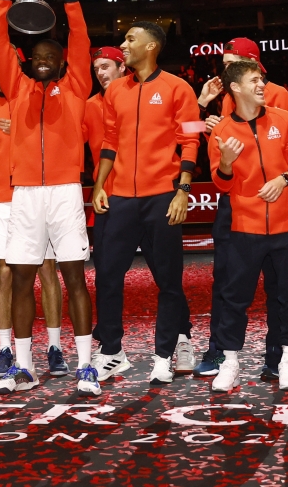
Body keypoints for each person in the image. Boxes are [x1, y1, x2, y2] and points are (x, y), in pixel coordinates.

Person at [0, 0, 100, 397]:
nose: (43, 63)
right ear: (28, 60)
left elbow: (82, 38)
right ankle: (23, 367)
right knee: (19, 278)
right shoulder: (16, 88)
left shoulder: (76, 88)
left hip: (66, 192)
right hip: (25, 194)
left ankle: (86, 366)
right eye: (36, 57)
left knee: (73, 276)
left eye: (51, 58)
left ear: (62, 62)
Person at [91, 21, 201, 385]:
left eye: (130, 39)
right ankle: (111, 353)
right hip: (121, 196)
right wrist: (100, 184)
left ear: (151, 47)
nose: (123, 44)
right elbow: (109, 140)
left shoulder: (177, 87)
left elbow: (190, 142)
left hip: (161, 196)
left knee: (168, 281)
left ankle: (163, 356)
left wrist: (182, 190)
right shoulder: (115, 91)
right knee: (107, 276)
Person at [195, 37, 288, 380]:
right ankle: (220, 354)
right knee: (228, 282)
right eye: (223, 65)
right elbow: (185, 136)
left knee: (279, 286)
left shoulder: (276, 96)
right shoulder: (218, 96)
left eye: (230, 64)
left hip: (275, 205)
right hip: (235, 203)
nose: (223, 71)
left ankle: (276, 358)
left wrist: (283, 179)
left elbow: (287, 143)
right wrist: (200, 110)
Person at [0, 49, 69, 379]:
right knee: (4, 273)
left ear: (17, 66)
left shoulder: (37, 96)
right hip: (4, 200)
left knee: (47, 270)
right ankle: (5, 349)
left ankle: (55, 347)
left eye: (2, 62)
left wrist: (21, 125)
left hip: (38, 193)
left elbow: (59, 135)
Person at [80, 46, 128, 348]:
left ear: (123, 67)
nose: (100, 72)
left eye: (106, 66)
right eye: (96, 67)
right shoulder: (89, 106)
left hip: (147, 196)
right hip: (106, 199)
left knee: (167, 278)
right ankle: (109, 343)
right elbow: (70, 140)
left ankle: (181, 336)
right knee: (107, 275)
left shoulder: (140, 98)